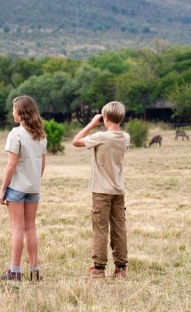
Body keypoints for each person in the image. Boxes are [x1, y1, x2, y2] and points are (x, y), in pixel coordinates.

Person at [72, 101, 130, 279]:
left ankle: (98, 269)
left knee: (100, 229)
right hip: (118, 190)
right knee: (119, 228)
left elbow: (76, 141)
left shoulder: (101, 137)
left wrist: (91, 124)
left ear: (105, 118)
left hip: (101, 190)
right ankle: (121, 268)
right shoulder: (125, 137)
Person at [0, 95, 47, 282]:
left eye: (13, 109)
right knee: (30, 228)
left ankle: (15, 271)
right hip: (34, 188)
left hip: (17, 188)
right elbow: (42, 164)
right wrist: (34, 181)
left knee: (17, 228)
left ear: (21, 112)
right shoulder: (41, 135)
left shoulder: (15, 134)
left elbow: (11, 165)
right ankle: (35, 271)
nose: (12, 112)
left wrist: (3, 189)